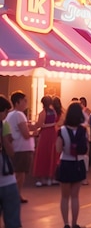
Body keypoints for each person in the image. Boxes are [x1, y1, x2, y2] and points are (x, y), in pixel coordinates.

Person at [56, 101, 88, 228]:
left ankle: (66, 224)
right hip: (78, 163)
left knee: (64, 197)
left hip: (65, 163)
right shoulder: (83, 130)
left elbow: (58, 149)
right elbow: (86, 147)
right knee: (75, 196)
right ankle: (75, 223)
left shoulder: (62, 130)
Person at [6, 91, 35, 203]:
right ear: (17, 102)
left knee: (16, 173)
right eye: (24, 101)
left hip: (15, 147)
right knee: (20, 174)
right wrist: (35, 133)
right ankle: (16, 195)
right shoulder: (19, 114)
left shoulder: (10, 114)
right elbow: (26, 134)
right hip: (22, 148)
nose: (26, 103)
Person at [0, 94, 21, 228]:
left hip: (7, 178)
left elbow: (10, 150)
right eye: (5, 111)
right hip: (6, 180)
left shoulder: (4, 125)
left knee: (13, 220)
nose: (7, 115)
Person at [32, 95, 58, 187]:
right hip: (53, 134)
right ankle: (51, 177)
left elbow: (40, 125)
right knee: (52, 154)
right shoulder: (53, 112)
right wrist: (52, 124)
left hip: (45, 135)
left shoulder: (43, 113)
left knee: (43, 155)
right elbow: (54, 122)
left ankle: (42, 178)